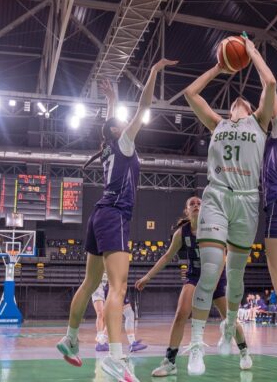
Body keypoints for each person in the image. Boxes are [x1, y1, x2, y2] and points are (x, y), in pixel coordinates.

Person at [55, 59, 174, 382]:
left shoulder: (110, 146)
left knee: (91, 283)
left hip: (98, 216)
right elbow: (145, 105)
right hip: (115, 215)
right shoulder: (123, 143)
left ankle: (70, 338)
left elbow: (110, 122)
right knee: (118, 288)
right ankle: (116, 360)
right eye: (121, 124)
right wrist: (153, 70)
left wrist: (110, 99)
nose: (125, 124)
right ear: (118, 132)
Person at [183, 36, 276, 377]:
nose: (239, 103)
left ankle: (230, 325)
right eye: (235, 103)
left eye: (245, 103)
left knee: (235, 278)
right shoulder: (218, 124)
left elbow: (270, 82)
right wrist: (219, 67)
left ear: (250, 111)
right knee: (210, 272)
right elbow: (191, 94)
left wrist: (251, 53)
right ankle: (195, 347)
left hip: (248, 201)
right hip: (218, 197)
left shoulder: (259, 124)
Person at [135, 196, 252, 377]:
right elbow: (167, 256)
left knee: (229, 319)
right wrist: (148, 276)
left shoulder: (214, 228)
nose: (196, 205)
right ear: (187, 210)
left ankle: (244, 352)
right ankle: (170, 361)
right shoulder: (182, 233)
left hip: (216, 279)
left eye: (199, 203)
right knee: (181, 313)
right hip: (194, 277)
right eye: (192, 204)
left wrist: (212, 282)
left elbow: (223, 256)